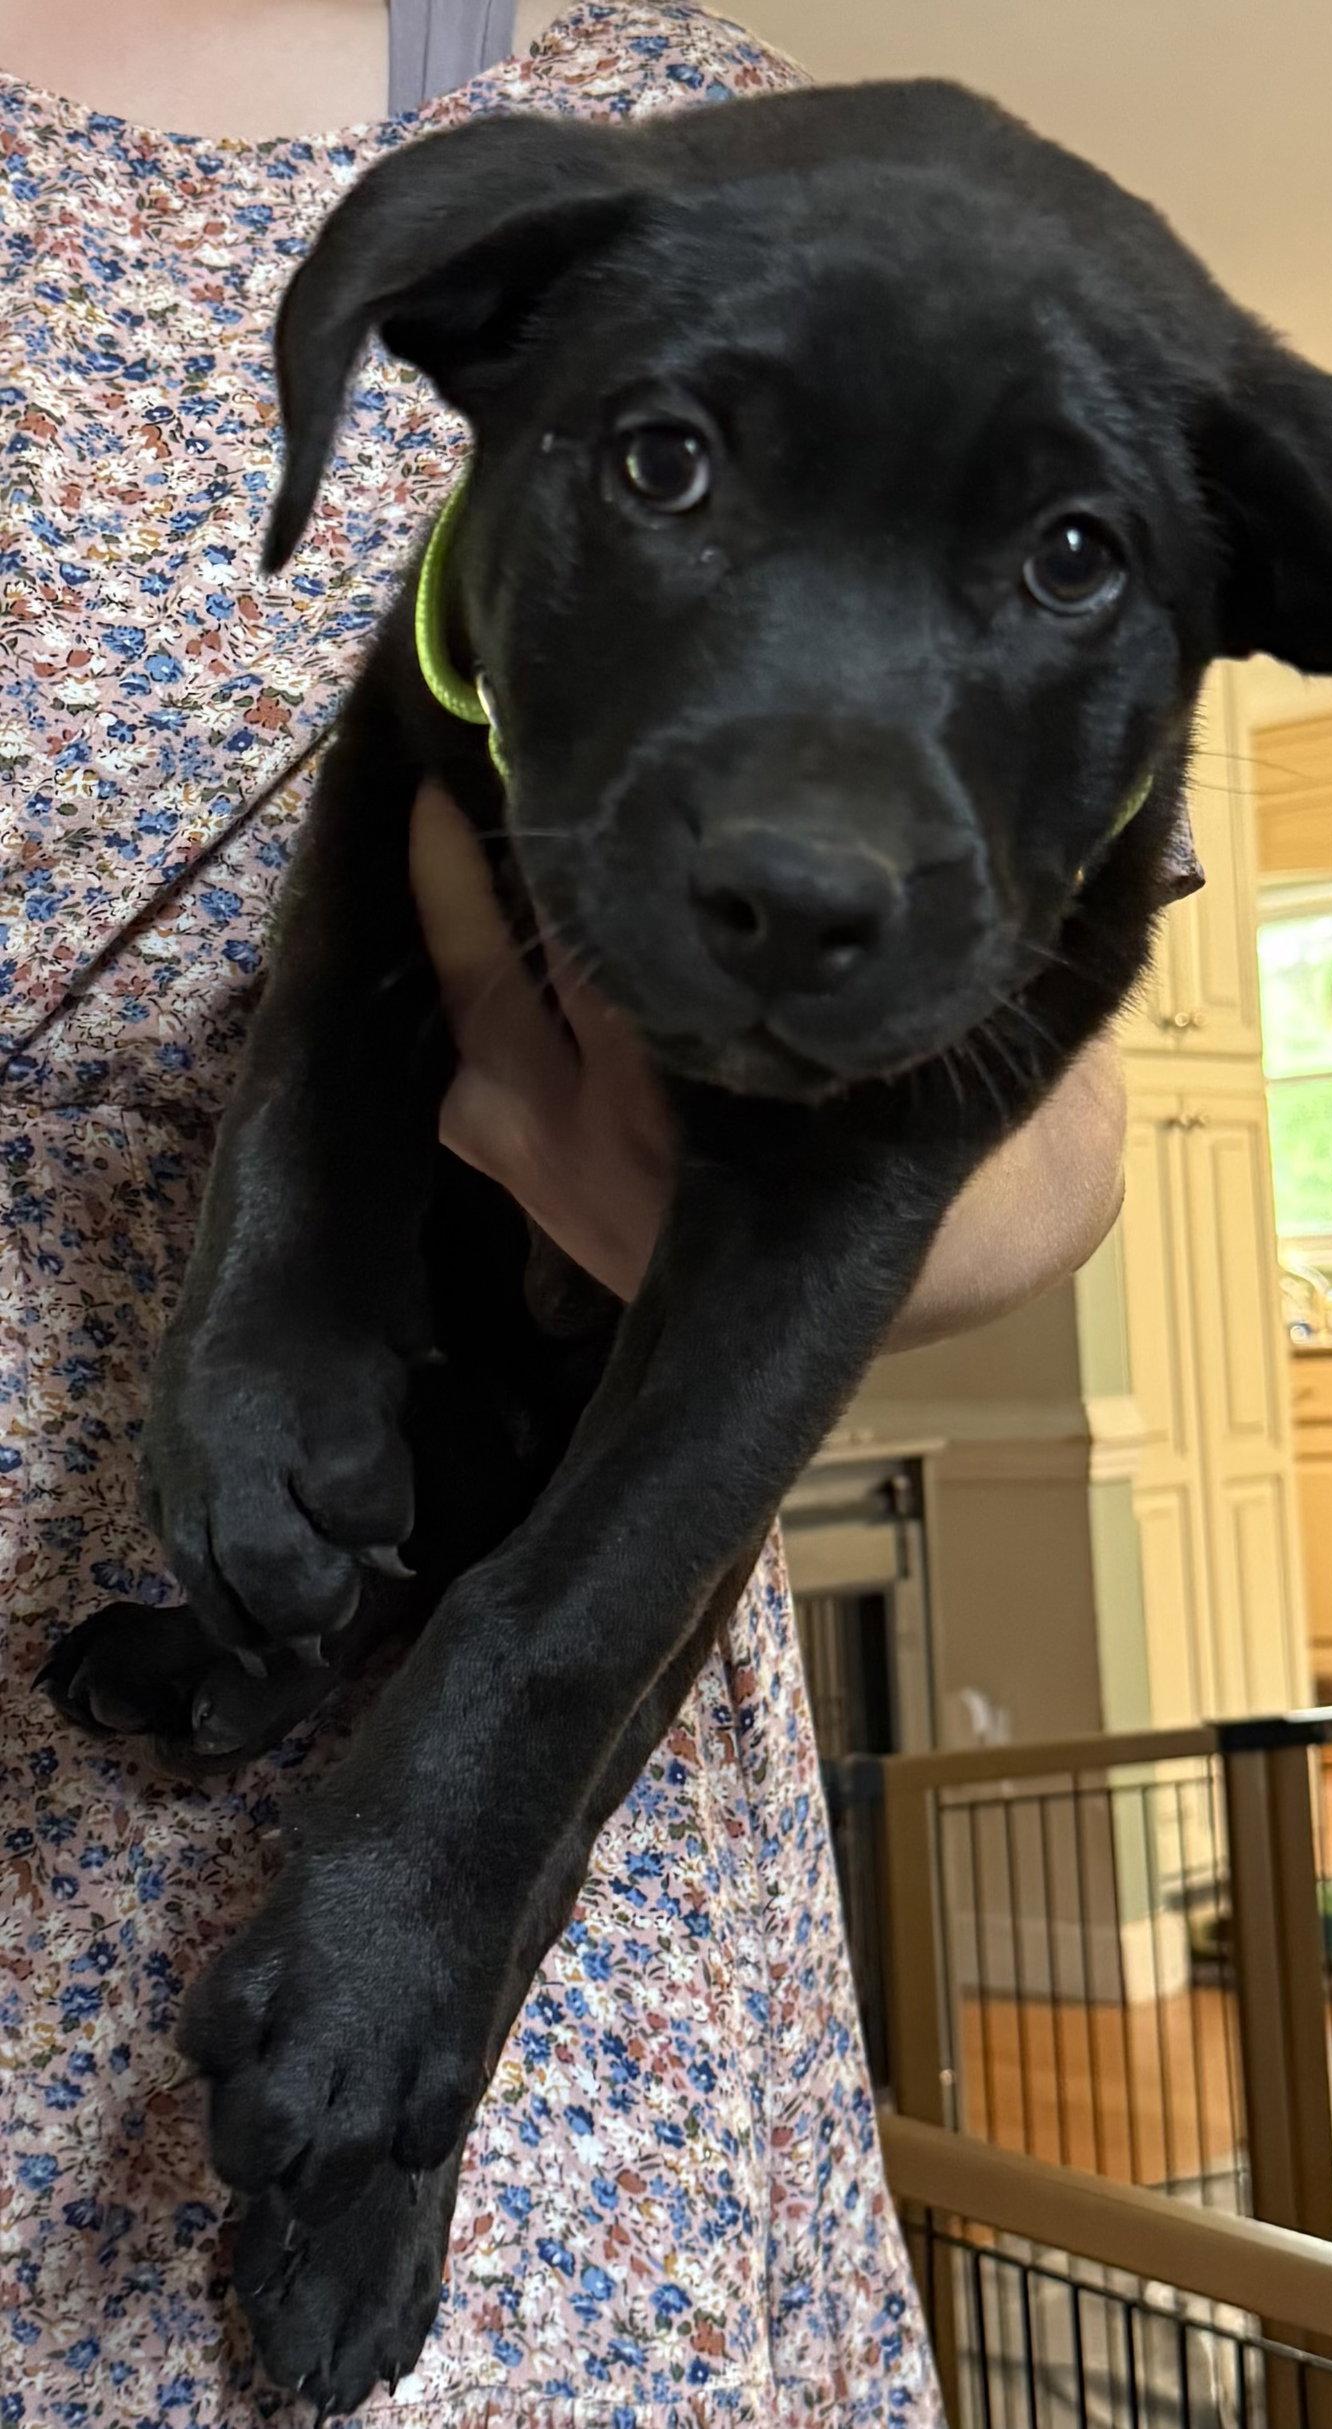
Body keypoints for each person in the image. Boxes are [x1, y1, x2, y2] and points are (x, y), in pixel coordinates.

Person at [0, 4, 1152, 2421]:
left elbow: (1036, 1120)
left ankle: (402, 2084)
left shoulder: (710, 151)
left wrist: (772, 1168)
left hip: (540, 1864)